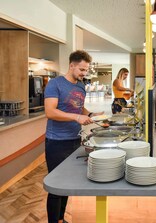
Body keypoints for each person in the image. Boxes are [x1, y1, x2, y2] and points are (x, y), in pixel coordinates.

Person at [44, 50, 104, 223]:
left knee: (67, 184)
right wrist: (77, 118)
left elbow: (78, 107)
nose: (84, 74)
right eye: (82, 70)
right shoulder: (55, 84)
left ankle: (61, 219)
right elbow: (50, 111)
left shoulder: (80, 86)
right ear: (71, 65)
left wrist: (91, 114)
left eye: (86, 70)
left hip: (74, 139)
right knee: (56, 187)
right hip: (56, 141)